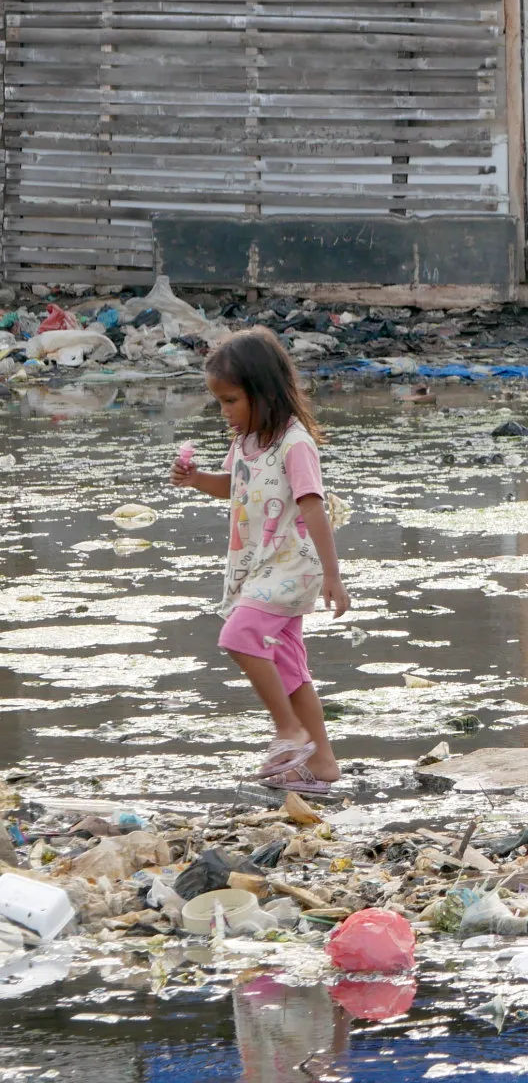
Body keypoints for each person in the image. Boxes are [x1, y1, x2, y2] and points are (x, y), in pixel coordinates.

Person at [171, 327, 349, 792]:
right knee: (290, 667)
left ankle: (289, 731)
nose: (224, 412)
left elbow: (313, 505)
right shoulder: (247, 442)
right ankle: (323, 763)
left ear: (263, 393)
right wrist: (196, 479)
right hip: (258, 565)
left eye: (231, 401)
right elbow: (233, 486)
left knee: (239, 634)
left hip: (293, 565)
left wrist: (333, 575)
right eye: (220, 403)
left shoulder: (295, 444)